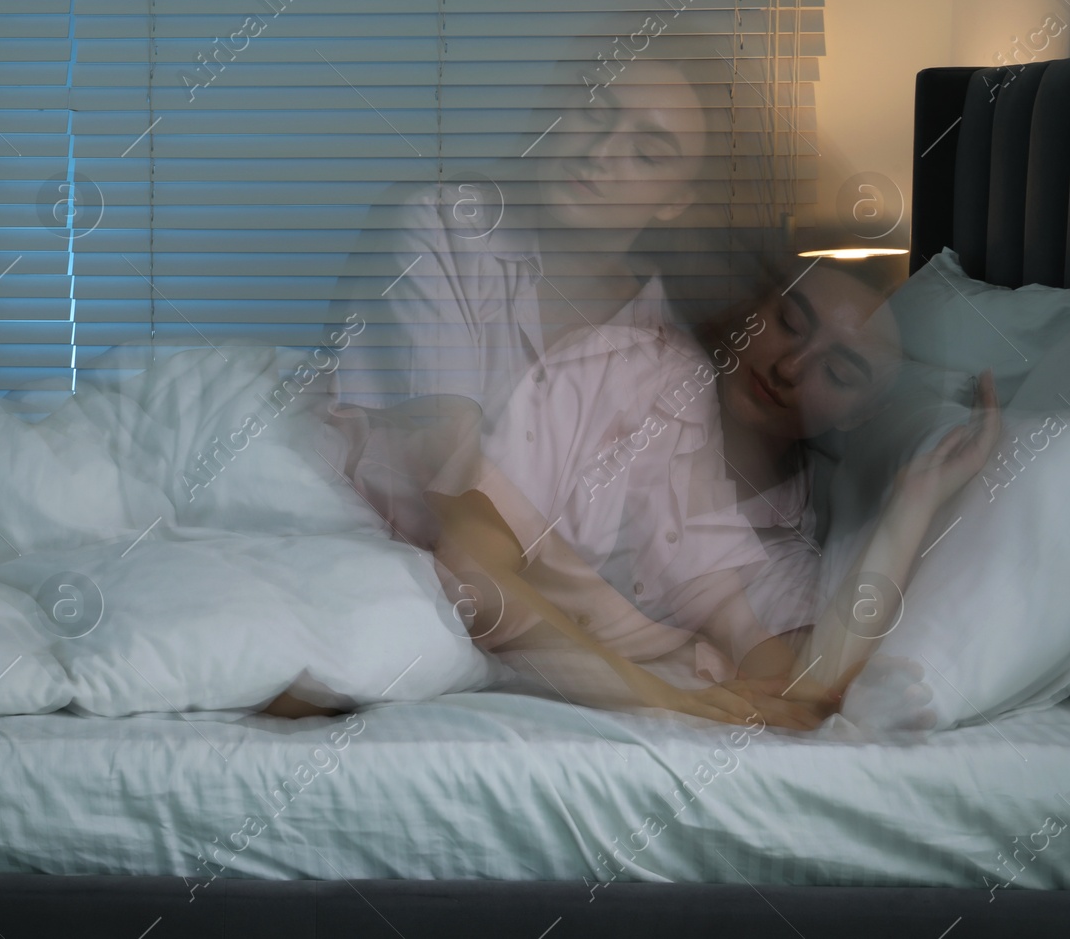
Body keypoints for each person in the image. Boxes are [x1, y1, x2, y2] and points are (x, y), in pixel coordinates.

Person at [271, 260, 1000, 729]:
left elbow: (802, 689)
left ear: (861, 416)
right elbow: (475, 567)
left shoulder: (786, 542)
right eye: (788, 322)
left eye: (836, 372)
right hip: (311, 461)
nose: (789, 366)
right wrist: (660, 696)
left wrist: (912, 502)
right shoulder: (636, 371)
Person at [327, 56, 717, 416]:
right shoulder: (447, 226)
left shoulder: (676, 363)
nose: (598, 154)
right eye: (595, 112)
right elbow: (443, 463)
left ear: (677, 200)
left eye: (646, 153)